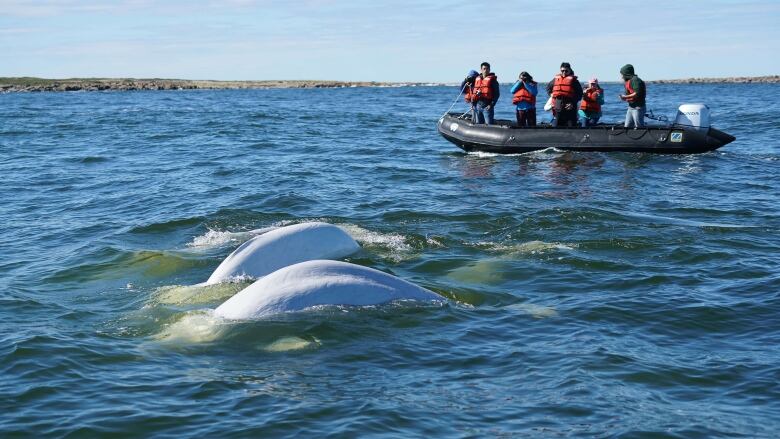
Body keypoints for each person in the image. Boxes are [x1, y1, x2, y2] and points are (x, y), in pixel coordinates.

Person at [546, 62, 583, 127]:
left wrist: (572, 103)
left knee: (571, 125)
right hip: (558, 104)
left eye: (566, 71)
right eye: (562, 71)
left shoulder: (574, 81)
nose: (564, 72)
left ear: (569, 70)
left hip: (570, 105)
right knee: (557, 125)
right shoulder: (556, 79)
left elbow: (580, 94)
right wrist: (551, 95)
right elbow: (548, 88)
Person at [619, 64, 646, 128]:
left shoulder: (635, 80)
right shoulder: (628, 81)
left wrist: (625, 97)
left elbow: (636, 93)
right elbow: (630, 96)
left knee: (639, 126)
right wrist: (624, 98)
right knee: (627, 126)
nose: (621, 76)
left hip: (638, 108)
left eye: (622, 74)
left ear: (627, 73)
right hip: (631, 107)